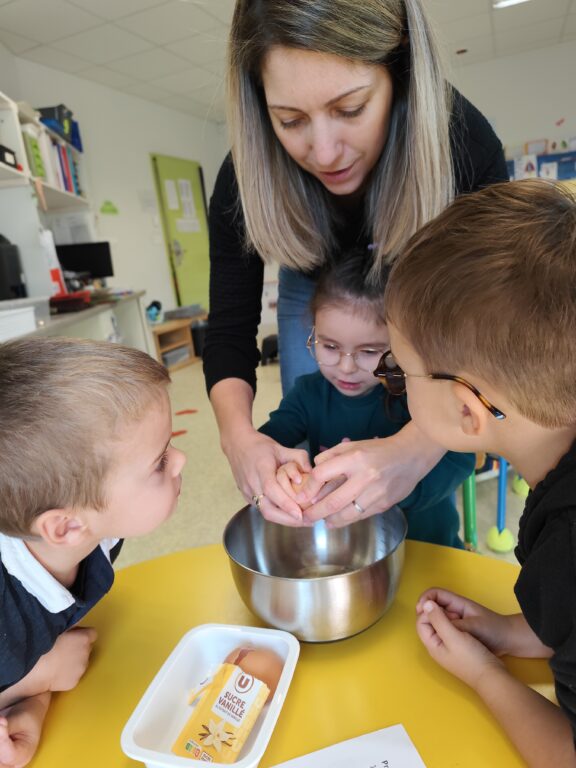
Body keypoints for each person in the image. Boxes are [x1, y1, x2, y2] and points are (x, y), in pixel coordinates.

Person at [204, 0, 509, 527]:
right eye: (290, 120)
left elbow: (490, 325)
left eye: (349, 109)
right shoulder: (243, 178)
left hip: (429, 290)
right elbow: (230, 328)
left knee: (426, 434)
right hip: (316, 279)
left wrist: (416, 448)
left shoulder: (465, 144)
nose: (324, 153)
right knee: (324, 407)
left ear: (401, 72)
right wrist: (240, 441)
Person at [378, 179, 576, 765]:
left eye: (399, 370)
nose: (392, 380)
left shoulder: (567, 554)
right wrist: (511, 632)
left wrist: (485, 673)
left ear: (468, 410)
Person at [0, 337, 186, 768]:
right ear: (65, 527)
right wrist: (38, 676)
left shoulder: (95, 537)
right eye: (159, 462)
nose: (179, 461)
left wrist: (33, 702)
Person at [258, 248, 474, 544]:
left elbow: (460, 459)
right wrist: (283, 471)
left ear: (402, 347)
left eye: (369, 351)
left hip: (427, 546)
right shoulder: (308, 393)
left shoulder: (419, 395)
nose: (346, 368)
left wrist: (396, 485)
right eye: (330, 347)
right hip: (349, 551)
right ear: (313, 334)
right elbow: (270, 442)